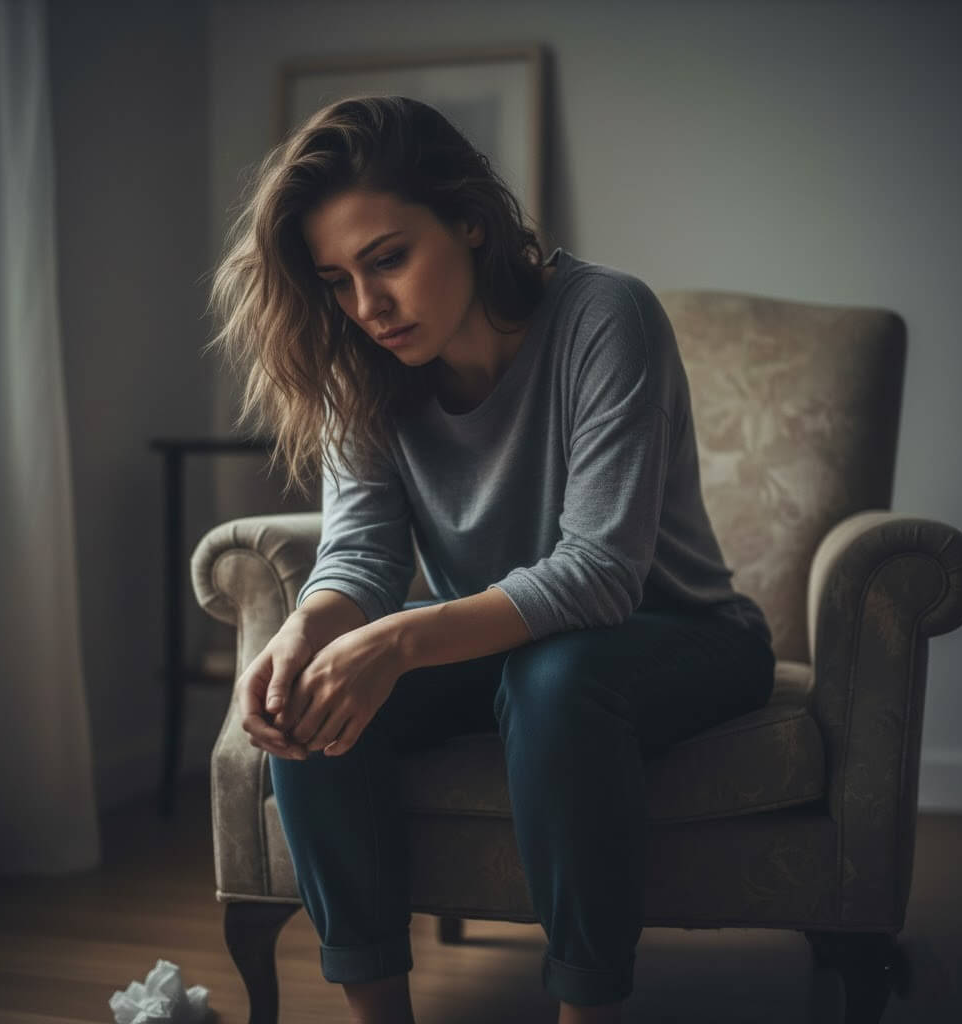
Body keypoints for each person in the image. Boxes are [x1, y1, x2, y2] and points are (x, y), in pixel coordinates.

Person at [204, 94, 776, 1024]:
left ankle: (587, 1007)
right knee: (312, 685)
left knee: (555, 678)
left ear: (470, 220)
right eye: (338, 280)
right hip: (506, 649)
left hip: (681, 634)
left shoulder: (605, 315)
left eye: (388, 259)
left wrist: (394, 645)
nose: (367, 306)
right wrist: (308, 629)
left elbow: (598, 571)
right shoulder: (361, 363)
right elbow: (360, 553)